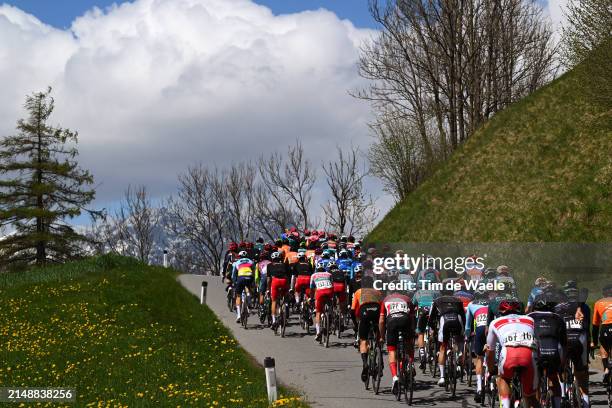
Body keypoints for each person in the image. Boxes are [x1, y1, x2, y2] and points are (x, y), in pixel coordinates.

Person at [486, 299, 538, 408]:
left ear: (501, 311)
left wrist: (491, 370)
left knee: (503, 378)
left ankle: (505, 405)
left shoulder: (495, 322)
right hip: (529, 354)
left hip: (509, 354)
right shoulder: (530, 319)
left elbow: (490, 351)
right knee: (531, 396)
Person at [528, 292, 567, 408]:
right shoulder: (558, 318)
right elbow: (564, 344)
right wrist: (562, 366)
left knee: (535, 382)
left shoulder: (529, 317)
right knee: (554, 379)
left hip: (536, 354)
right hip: (554, 353)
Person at [555, 285, 591, 408]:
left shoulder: (557, 307)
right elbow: (586, 329)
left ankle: (563, 394)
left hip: (565, 340)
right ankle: (586, 401)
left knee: (560, 368)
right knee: (582, 374)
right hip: (580, 340)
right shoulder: (583, 307)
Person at [379, 281, 417, 395]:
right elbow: (412, 319)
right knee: (409, 344)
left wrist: (381, 336)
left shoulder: (385, 300)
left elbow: (381, 321)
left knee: (392, 351)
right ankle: (410, 363)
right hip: (405, 320)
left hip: (392, 322)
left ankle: (395, 377)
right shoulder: (407, 298)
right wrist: (413, 332)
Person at [428, 288, 465, 387]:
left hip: (445, 321)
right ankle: (459, 355)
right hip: (458, 320)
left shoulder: (436, 301)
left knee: (443, 348)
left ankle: (442, 377)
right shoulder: (458, 300)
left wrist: (433, 330)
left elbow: (431, 318)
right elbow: (463, 316)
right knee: (458, 340)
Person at [352, 275, 384, 382]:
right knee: (379, 335)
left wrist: (356, 325)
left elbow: (353, 310)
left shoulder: (358, 292)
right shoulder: (378, 292)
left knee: (363, 341)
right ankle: (380, 358)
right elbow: (383, 308)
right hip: (376, 311)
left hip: (364, 312)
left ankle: (365, 363)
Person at [414, 265, 441, 370]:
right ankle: (432, 337)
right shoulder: (436, 292)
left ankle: (421, 352)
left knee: (420, 332)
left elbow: (412, 304)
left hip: (422, 312)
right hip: (432, 312)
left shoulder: (418, 292)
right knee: (434, 329)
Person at [465, 289, 489, 402]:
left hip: (479, 330)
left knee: (479, 358)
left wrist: (467, 336)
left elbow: (468, 326)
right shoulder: (492, 303)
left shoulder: (471, 304)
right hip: (490, 329)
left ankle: (479, 388)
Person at [592, 283, 612, 385]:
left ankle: (606, 370)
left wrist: (594, 342)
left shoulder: (599, 303)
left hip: (606, 329)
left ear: (603, 294)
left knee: (604, 347)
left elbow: (595, 325)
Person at [310, 262, 334, 342]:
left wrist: (312, 298)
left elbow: (311, 288)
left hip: (320, 292)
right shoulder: (329, 274)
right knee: (330, 306)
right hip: (329, 291)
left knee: (318, 312)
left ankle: (318, 332)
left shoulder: (313, 275)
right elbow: (332, 284)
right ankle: (330, 320)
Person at [231, 250, 256, 323]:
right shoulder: (251, 261)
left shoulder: (237, 262)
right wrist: (253, 281)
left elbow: (233, 275)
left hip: (241, 278)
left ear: (239, 256)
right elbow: (254, 272)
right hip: (249, 277)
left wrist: (234, 282)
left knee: (238, 296)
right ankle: (249, 302)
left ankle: (238, 315)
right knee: (248, 289)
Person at [267, 251, 290, 330]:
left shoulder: (269, 265)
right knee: (285, 297)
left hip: (275, 281)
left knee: (273, 301)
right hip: (284, 281)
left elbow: (268, 279)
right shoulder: (284, 265)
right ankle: (285, 308)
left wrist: (267, 289)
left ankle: (273, 321)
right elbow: (288, 276)